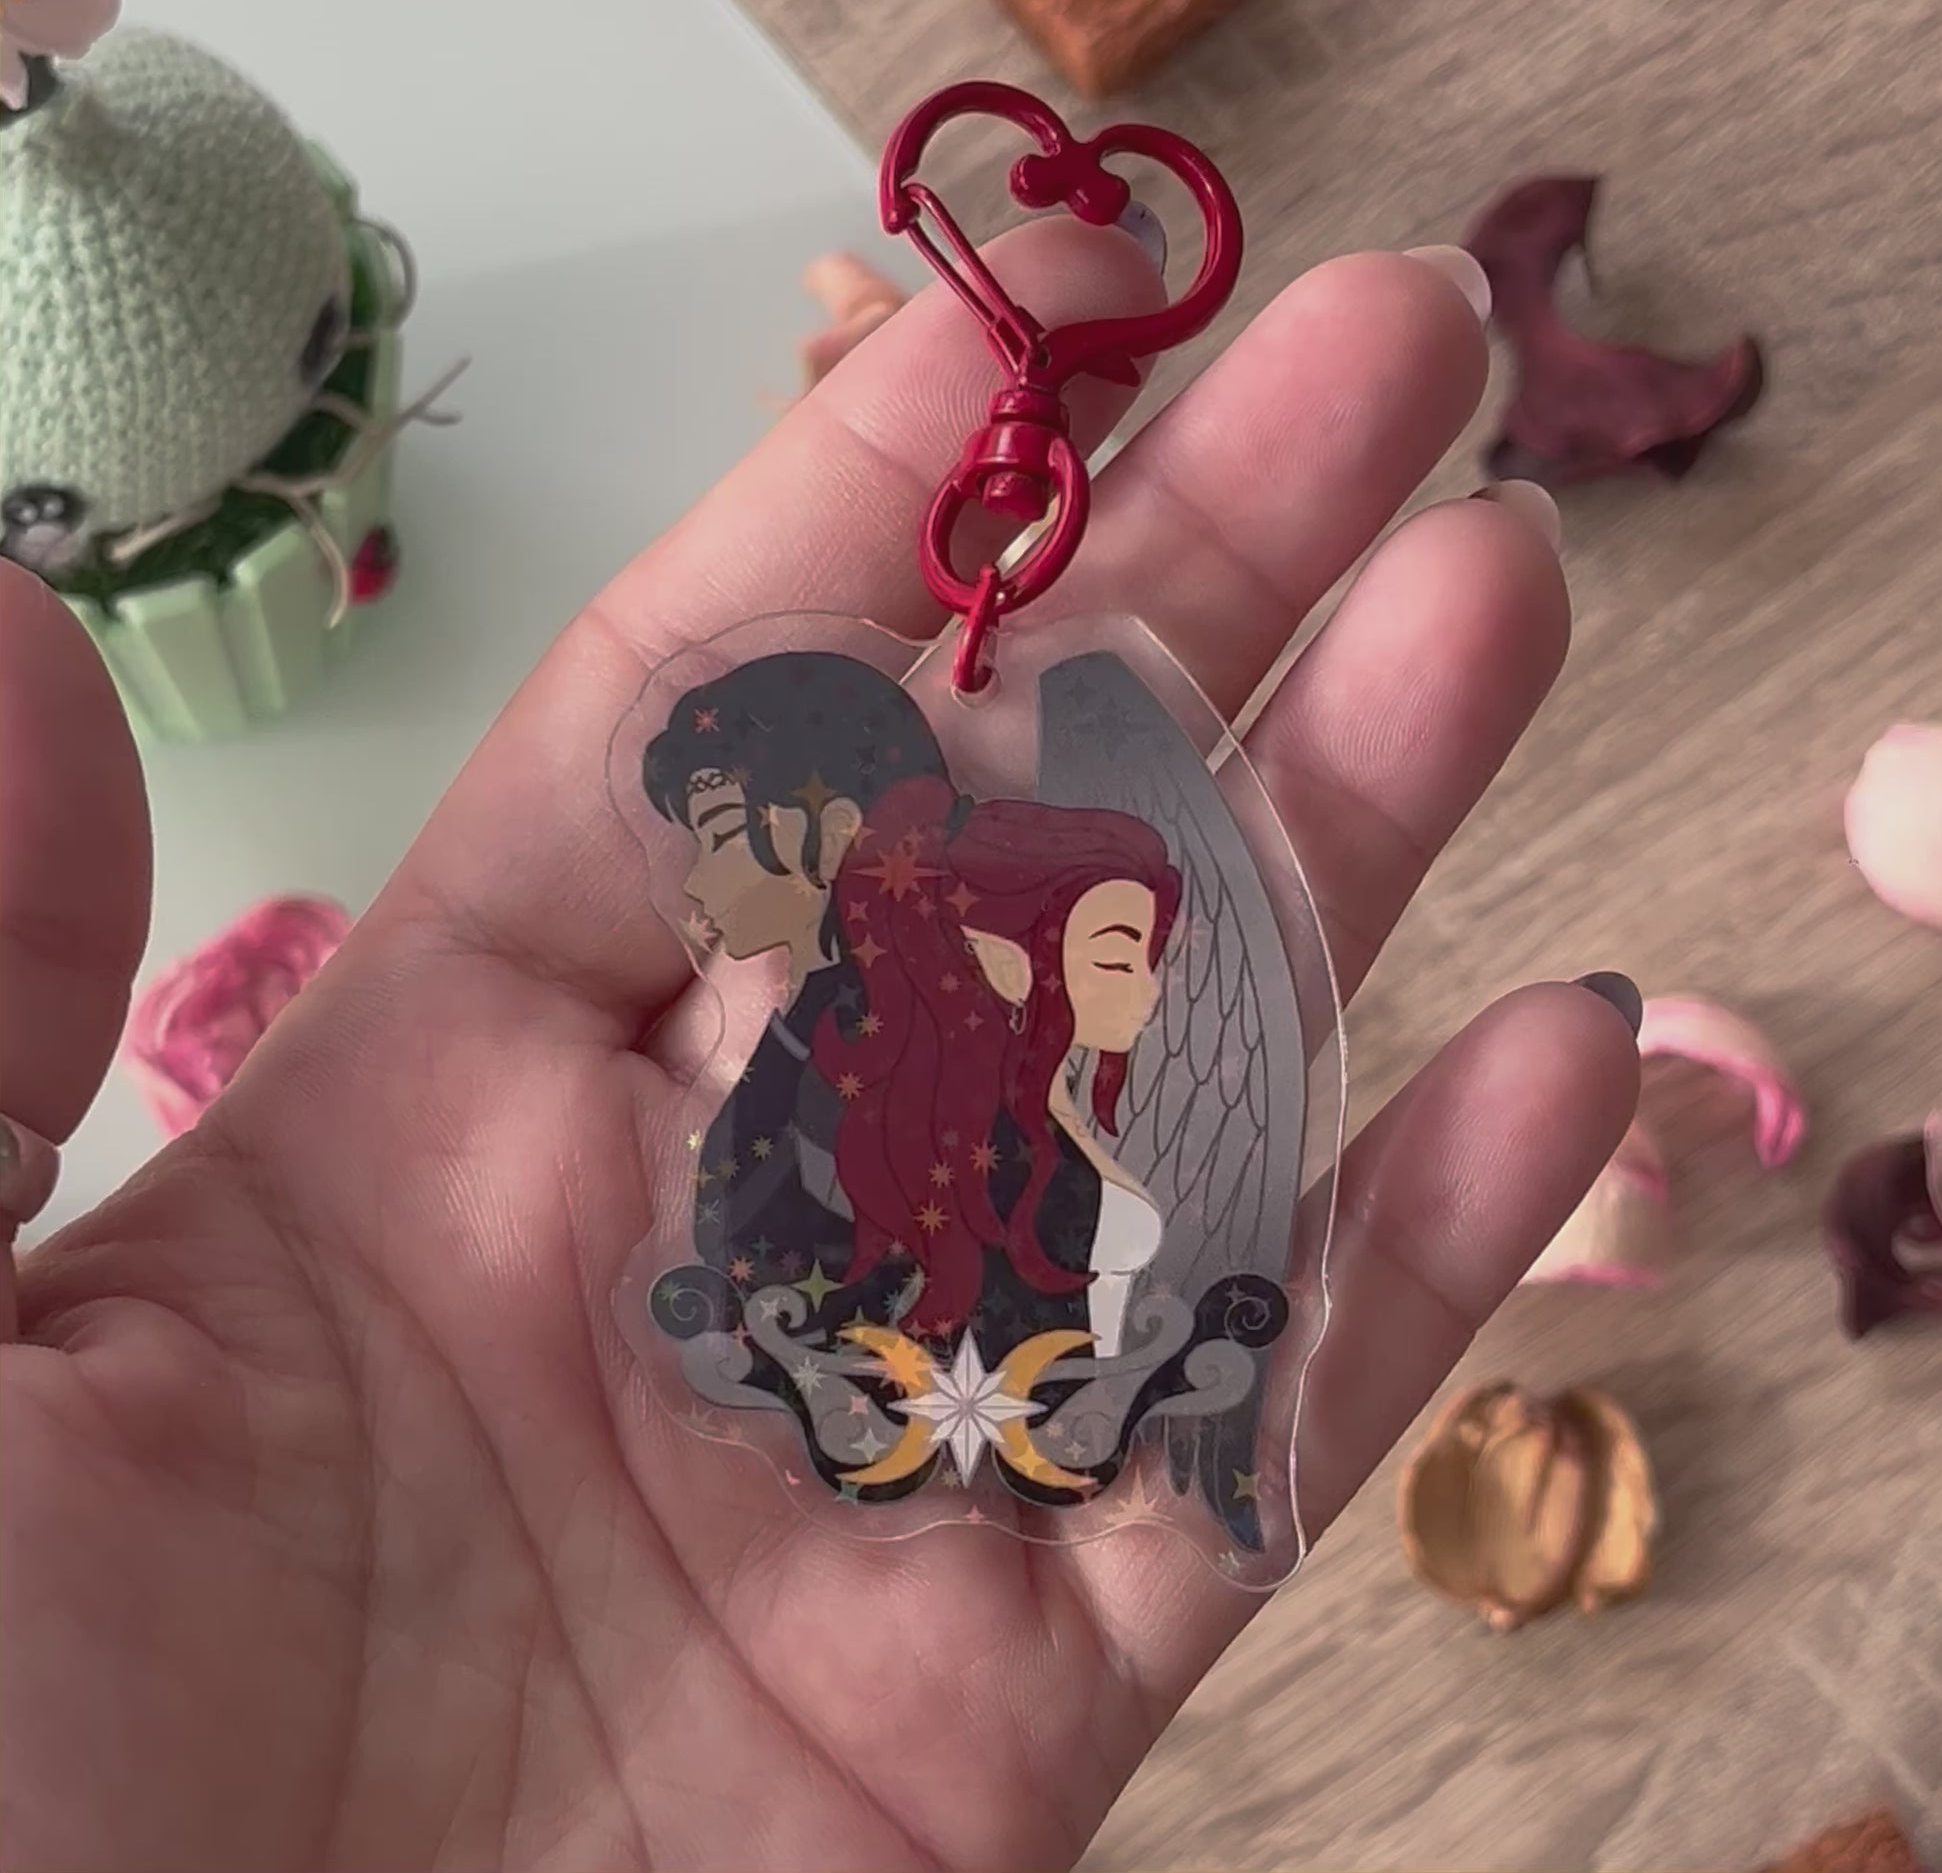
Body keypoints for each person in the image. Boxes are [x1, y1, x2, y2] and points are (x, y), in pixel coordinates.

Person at [0, 226, 1643, 1872]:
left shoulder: (971, 959)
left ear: (817, 824)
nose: (704, 893)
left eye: (725, 840)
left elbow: (1097, 976)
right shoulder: (833, 1044)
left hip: (1000, 1313)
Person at [813, 774, 1181, 1360]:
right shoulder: (1003, 1161)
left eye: (1147, 959)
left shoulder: (1032, 1133)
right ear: (1005, 964)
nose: (1151, 989)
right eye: (1115, 961)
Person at [641, 652, 951, 1337]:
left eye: (721, 835)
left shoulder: (884, 1044)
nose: (694, 883)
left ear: (834, 834)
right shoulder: (809, 1029)